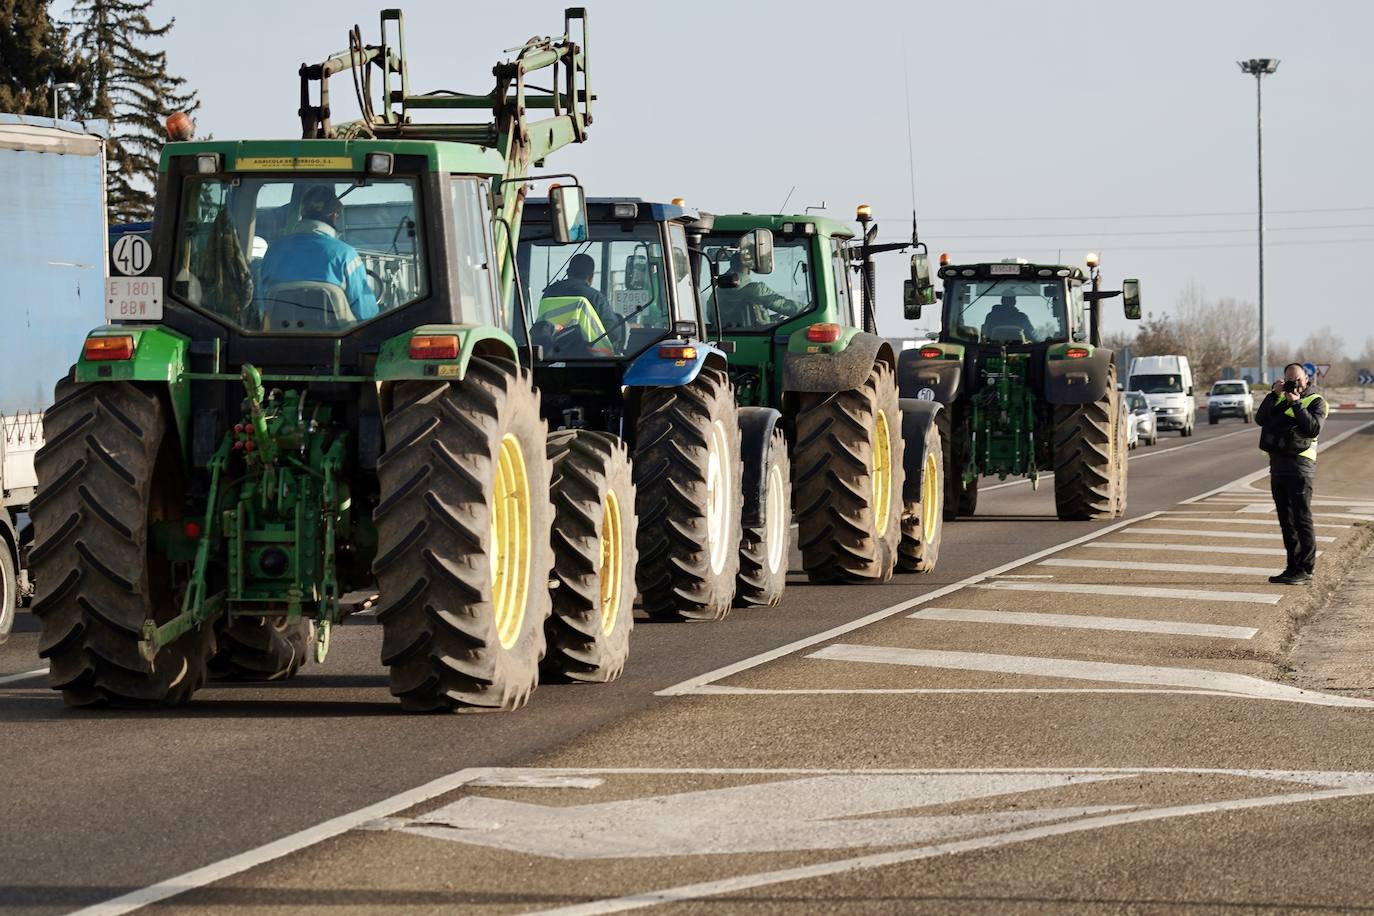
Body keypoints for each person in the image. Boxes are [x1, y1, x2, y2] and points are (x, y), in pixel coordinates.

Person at [260, 186, 378, 320]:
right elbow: (365, 313)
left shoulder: (273, 251)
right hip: (338, 338)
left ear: (303, 215)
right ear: (334, 216)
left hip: (278, 337)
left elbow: (260, 302)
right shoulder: (346, 255)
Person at [1256, 362, 1327, 584]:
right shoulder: (1278, 399)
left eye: (1297, 379)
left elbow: (1313, 428)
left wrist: (1296, 405)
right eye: (1289, 379)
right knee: (1286, 521)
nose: (1293, 383)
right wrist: (1272, 395)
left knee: (1301, 519)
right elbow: (1261, 419)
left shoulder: (1316, 401)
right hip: (1277, 466)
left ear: (1306, 380)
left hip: (1300, 467)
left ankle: (1305, 569)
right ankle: (1292, 566)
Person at [541, 253, 626, 349]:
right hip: (585, 360)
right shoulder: (595, 298)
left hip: (547, 357)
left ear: (568, 272)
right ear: (591, 276)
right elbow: (614, 334)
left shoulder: (548, 293)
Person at [713, 253, 804, 327]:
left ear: (731, 266)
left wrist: (772, 319)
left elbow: (711, 316)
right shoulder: (756, 290)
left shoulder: (717, 291)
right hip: (759, 337)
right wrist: (810, 308)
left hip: (725, 336)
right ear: (749, 268)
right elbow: (786, 306)